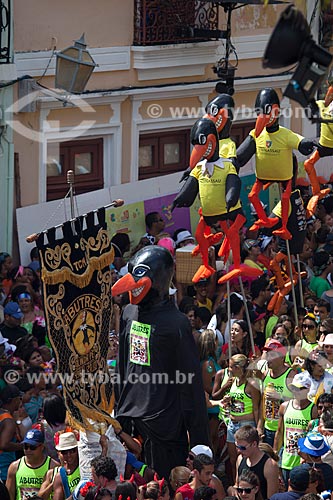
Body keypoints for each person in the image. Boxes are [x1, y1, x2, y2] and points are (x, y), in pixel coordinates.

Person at [274, 376, 318, 487]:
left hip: (304, 462)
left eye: (300, 389)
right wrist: (275, 453)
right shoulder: (284, 406)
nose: (296, 391)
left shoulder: (313, 409)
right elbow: (279, 432)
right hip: (286, 460)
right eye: (294, 388)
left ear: (308, 389)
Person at [259, 338, 296, 446]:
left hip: (283, 429)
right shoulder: (265, 374)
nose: (268, 359)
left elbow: (299, 403)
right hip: (267, 429)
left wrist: (280, 397)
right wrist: (260, 426)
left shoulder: (291, 375)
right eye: (268, 355)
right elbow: (262, 403)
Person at [6, 428, 59, 500]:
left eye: (32, 447)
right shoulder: (14, 467)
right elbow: (9, 495)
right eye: (25, 447)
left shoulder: (53, 466)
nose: (28, 450)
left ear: (42, 447)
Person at [233, 426, 279, 500]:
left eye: (242, 448)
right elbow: (237, 485)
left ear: (254, 444)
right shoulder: (240, 459)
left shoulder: (269, 465)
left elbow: (272, 497)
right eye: (237, 447)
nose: (238, 450)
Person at [0, 385, 24, 481]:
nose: (20, 402)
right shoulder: (8, 420)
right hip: (4, 468)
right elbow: (4, 445)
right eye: (20, 398)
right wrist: (22, 446)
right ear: (14, 400)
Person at [51, 432, 80, 500]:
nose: (69, 455)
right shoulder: (60, 476)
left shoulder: (85, 467)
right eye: (65, 452)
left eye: (72, 451)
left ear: (77, 450)